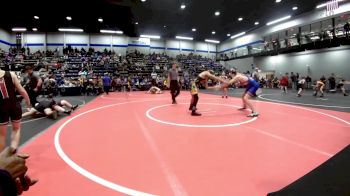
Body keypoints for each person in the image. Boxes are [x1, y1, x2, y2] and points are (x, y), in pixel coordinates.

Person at [0, 69, 31, 151]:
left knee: (1, 135)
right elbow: (22, 91)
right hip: (14, 105)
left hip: (1, 108)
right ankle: (13, 149)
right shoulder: (11, 74)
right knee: (16, 129)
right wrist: (28, 101)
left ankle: (1, 158)